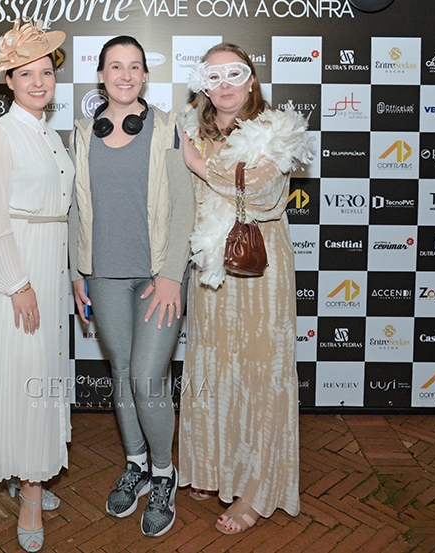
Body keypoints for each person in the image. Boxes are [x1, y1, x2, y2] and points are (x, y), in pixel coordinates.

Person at [178, 43, 313, 534]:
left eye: (235, 74)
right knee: (213, 365)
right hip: (209, 265)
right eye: (214, 77)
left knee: (260, 371)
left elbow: (258, 189)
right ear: (203, 85)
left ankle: (257, 490)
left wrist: (199, 164)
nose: (225, 84)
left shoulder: (277, 128)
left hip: (261, 267)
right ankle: (214, 467)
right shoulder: (192, 129)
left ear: (252, 79)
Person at [69, 35, 194, 538]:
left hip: (156, 277)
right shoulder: (81, 133)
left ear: (145, 74)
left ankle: (164, 474)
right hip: (103, 275)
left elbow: (185, 206)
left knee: (146, 377)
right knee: (121, 373)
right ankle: (136, 463)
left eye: (135, 66)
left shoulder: (168, 128)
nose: (125, 75)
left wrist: (171, 276)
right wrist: (76, 271)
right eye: (115, 66)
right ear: (100, 75)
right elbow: (74, 208)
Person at [0, 20, 72, 553]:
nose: (38, 82)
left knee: (40, 374)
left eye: (45, 72)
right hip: (16, 272)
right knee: (28, 375)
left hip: (49, 267)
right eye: (25, 74)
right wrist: (19, 283)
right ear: (8, 81)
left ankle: (28, 468)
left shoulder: (51, 134)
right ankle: (30, 495)